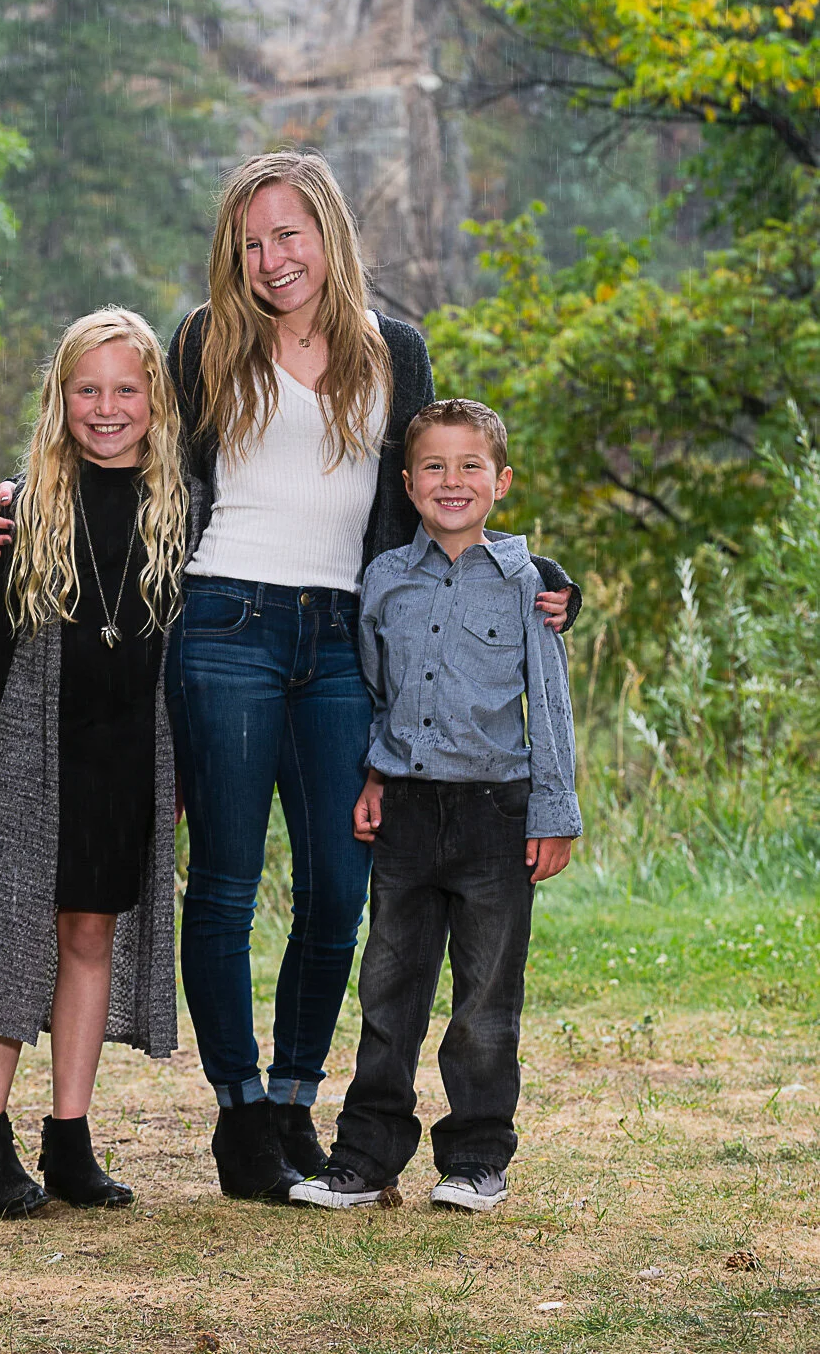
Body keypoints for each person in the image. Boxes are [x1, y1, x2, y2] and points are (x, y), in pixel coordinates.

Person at [0, 151, 580, 1204]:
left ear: (327, 235)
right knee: (222, 881)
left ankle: (297, 1099)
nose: (271, 259)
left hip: (342, 636)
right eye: (251, 242)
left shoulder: (394, 350)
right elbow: (126, 446)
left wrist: (535, 571)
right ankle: (241, 1114)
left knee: (338, 886)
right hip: (224, 625)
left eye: (288, 235)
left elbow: (430, 496)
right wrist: (19, 500)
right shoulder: (204, 341)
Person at [290, 398, 581, 1213]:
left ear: (500, 481)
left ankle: (476, 1159)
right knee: (387, 994)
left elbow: (548, 704)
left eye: (469, 466)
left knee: (485, 1002)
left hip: (496, 815)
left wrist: (553, 812)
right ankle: (364, 1159)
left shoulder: (530, 585)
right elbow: (377, 696)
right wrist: (374, 779)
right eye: (433, 467)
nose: (452, 482)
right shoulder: (384, 580)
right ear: (408, 481)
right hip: (408, 817)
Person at [0, 307, 186, 1218]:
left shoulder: (182, 504)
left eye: (125, 389)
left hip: (127, 755)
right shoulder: (26, 506)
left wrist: (182, 775)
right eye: (87, 389)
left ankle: (70, 1140)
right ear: (61, 397)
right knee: (16, 940)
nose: (106, 407)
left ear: (154, 399)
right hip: (34, 750)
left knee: (90, 935)